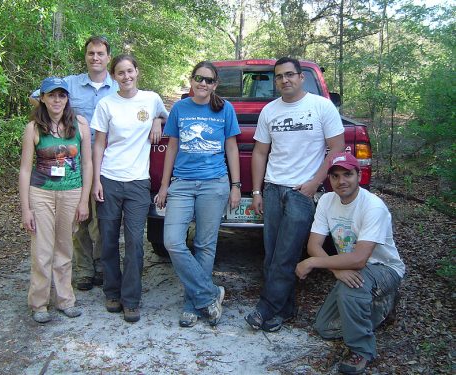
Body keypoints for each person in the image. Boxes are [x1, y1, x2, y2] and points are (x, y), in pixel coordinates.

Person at [245, 57, 345, 332]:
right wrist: (256, 191)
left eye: (290, 75)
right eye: (279, 76)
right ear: (275, 81)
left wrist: (315, 182)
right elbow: (260, 152)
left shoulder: (321, 106)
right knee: (272, 254)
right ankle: (283, 311)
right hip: (273, 188)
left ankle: (265, 308)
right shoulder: (269, 111)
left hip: (302, 192)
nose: (284, 80)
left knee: (286, 254)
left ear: (301, 77)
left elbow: (337, 147)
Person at [296, 152, 405, 374]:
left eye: (348, 174)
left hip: (384, 269)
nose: (341, 181)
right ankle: (382, 307)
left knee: (351, 288)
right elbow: (313, 245)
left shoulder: (373, 206)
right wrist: (336, 269)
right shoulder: (327, 201)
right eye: (335, 176)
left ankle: (362, 350)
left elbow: (359, 258)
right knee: (324, 327)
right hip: (350, 266)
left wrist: (313, 263)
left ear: (359, 175)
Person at [154, 61, 241, 328]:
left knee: (205, 245)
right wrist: (164, 185)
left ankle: (193, 304)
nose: (203, 84)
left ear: (215, 84)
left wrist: (236, 186)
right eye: (198, 79)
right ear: (191, 80)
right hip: (182, 183)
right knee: (173, 241)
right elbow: (171, 148)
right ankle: (210, 293)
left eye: (209, 80)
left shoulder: (225, 109)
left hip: (214, 183)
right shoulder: (180, 108)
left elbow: (232, 148)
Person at [30, 36, 119, 291]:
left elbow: (141, 107)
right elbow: (36, 96)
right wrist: (57, 121)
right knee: (79, 216)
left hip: (107, 162)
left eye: (100, 53)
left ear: (108, 57)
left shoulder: (117, 87)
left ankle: (102, 264)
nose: (95, 58)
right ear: (86, 56)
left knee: (102, 217)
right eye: (91, 53)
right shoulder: (69, 84)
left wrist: (157, 119)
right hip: (72, 161)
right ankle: (83, 269)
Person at [91, 55, 169, 323]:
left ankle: (131, 299)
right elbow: (99, 144)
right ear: (114, 77)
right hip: (109, 179)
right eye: (120, 73)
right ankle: (112, 292)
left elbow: (166, 117)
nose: (126, 77)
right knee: (109, 240)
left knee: (135, 244)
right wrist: (95, 181)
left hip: (138, 182)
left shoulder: (151, 99)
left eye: (130, 71)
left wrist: (158, 120)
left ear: (138, 71)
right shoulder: (106, 104)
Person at [19, 77, 93, 323]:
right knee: (42, 250)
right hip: (41, 193)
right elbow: (25, 170)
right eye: (52, 95)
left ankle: (65, 300)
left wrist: (84, 200)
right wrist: (25, 209)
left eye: (62, 95)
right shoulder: (33, 128)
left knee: (65, 248)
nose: (57, 100)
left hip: (71, 192)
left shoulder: (80, 124)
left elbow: (87, 163)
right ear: (42, 98)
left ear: (67, 98)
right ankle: (39, 303)